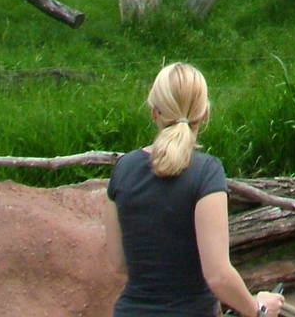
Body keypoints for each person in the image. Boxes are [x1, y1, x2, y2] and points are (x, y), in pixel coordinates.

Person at [104, 62, 285, 317]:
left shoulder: (122, 169)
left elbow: (118, 263)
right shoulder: (206, 172)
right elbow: (218, 275)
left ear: (154, 113)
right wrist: (259, 309)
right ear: (205, 113)